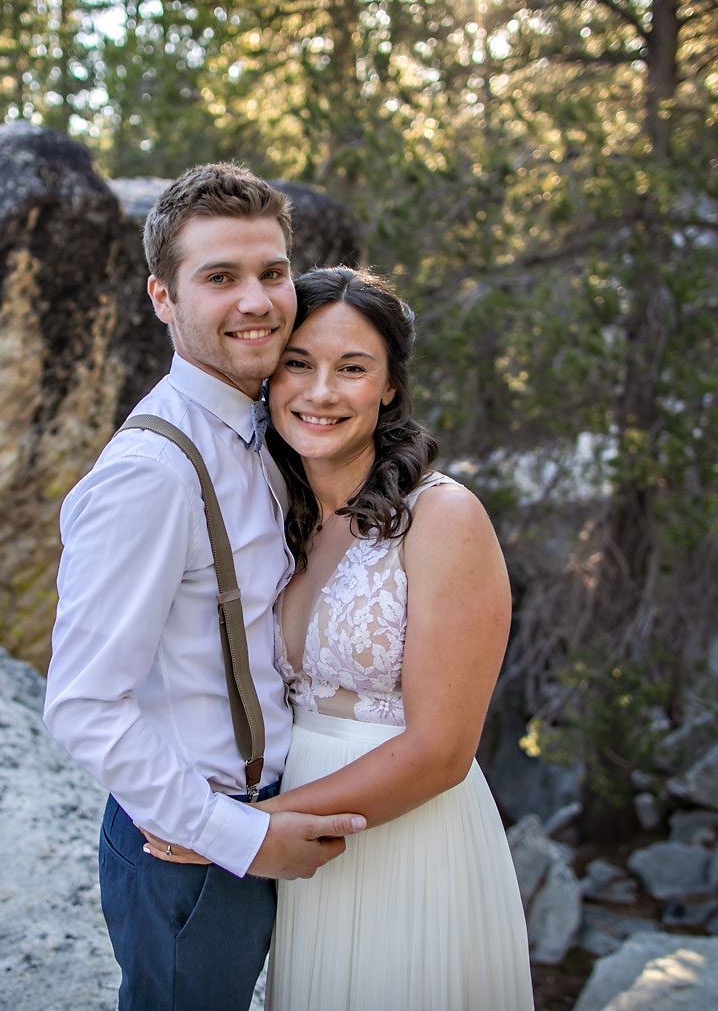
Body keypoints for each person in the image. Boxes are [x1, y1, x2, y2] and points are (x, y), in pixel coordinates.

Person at [146, 266, 534, 1010]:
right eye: (299, 363)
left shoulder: (443, 518)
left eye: (352, 368)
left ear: (388, 387)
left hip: (407, 842)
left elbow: (442, 750)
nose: (320, 392)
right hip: (309, 856)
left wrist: (240, 831)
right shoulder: (277, 508)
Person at [44, 164, 365, 1011]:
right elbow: (81, 703)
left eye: (271, 272)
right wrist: (238, 837)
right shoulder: (152, 472)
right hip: (192, 849)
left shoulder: (278, 425)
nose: (257, 300)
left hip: (284, 815)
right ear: (163, 296)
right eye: (220, 277)